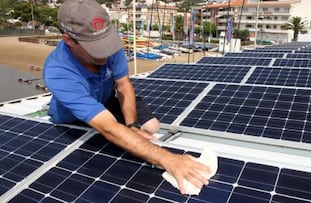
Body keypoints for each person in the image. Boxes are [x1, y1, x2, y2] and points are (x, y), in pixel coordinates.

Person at [43, 0, 210, 194]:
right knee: (104, 151)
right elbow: (108, 127)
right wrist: (169, 159)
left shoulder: (109, 46)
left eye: (106, 42)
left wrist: (132, 126)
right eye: (96, 47)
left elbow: (123, 85)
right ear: (69, 40)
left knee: (151, 128)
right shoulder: (58, 71)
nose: (106, 52)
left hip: (105, 99)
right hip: (73, 117)